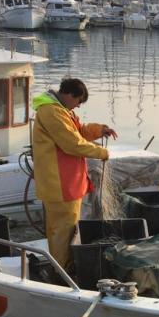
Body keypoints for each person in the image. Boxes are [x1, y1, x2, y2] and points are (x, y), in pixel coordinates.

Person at [32, 78, 118, 268]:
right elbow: (72, 144)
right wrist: (101, 152)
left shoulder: (61, 110)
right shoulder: (51, 112)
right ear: (70, 95)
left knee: (67, 229)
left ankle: (64, 266)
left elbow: (78, 132)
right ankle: (63, 271)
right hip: (60, 184)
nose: (78, 107)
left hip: (67, 183)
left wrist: (99, 130)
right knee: (62, 231)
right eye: (78, 102)